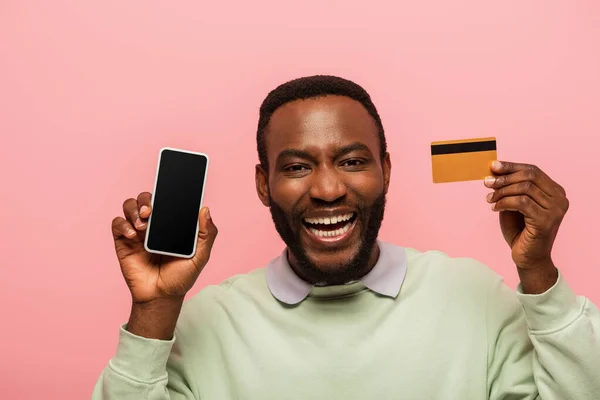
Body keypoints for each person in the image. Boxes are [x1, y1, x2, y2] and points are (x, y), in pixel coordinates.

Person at [92, 75, 600, 399]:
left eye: (353, 162)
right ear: (263, 186)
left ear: (386, 170)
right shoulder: (205, 322)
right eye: (296, 167)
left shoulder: (475, 297)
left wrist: (538, 273)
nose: (329, 189)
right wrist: (155, 308)